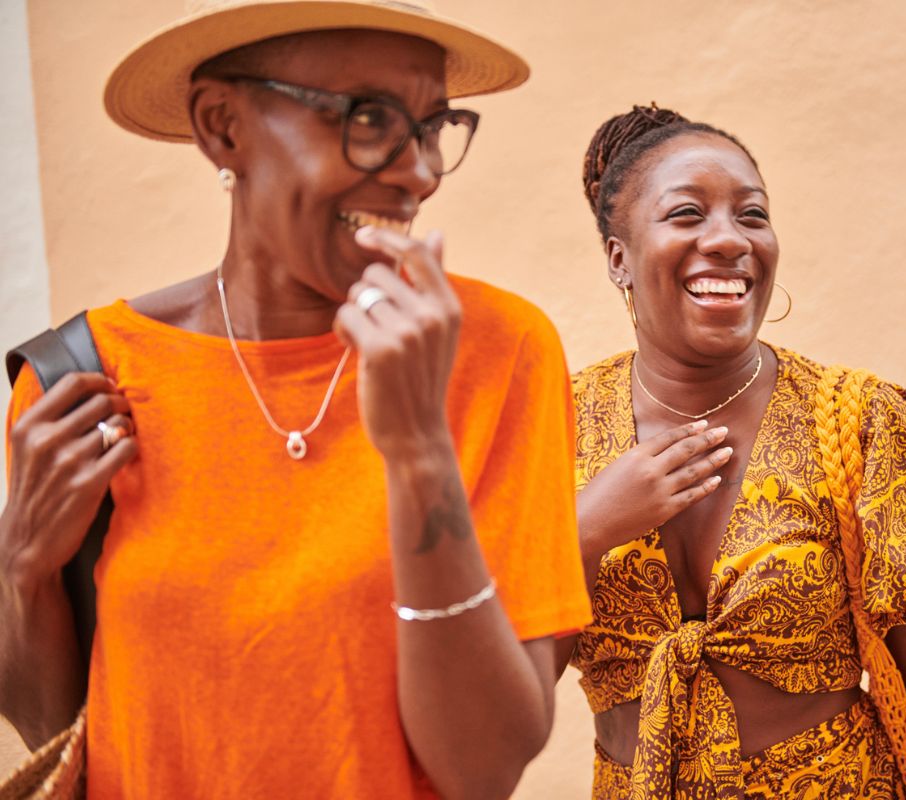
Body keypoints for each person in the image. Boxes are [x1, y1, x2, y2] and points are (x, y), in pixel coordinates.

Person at [0, 2, 591, 798]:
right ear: (223, 126)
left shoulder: (495, 353)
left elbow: (481, 768)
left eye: (431, 126)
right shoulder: (83, 379)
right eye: (369, 116)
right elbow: (61, 730)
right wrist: (19, 567)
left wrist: (420, 454)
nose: (418, 170)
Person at [556, 105, 906, 798]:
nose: (728, 240)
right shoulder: (555, 427)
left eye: (752, 215)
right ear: (618, 256)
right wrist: (582, 531)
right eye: (687, 215)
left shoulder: (863, 422)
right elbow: (506, 691)